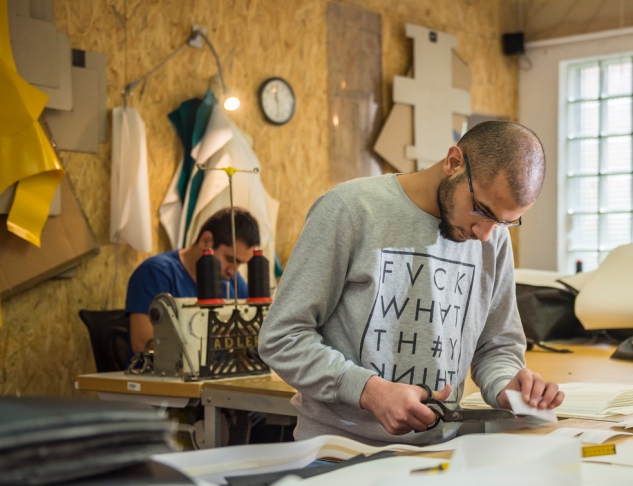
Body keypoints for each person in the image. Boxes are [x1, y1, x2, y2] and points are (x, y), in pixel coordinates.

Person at [259, 121, 565, 445]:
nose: (485, 234)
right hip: (339, 451)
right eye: (480, 210)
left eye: (504, 222)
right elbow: (282, 337)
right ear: (453, 162)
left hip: (437, 455)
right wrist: (368, 391)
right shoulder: (350, 210)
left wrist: (507, 385)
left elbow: (497, 347)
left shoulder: (493, 239)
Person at [126, 207, 260, 354]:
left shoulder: (233, 282)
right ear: (206, 241)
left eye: (240, 264)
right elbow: (142, 344)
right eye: (230, 259)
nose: (232, 271)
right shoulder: (155, 274)